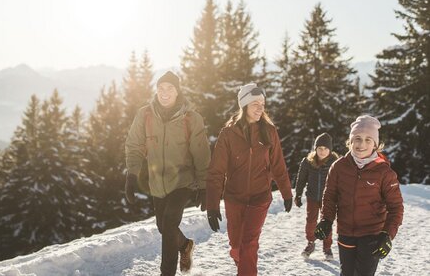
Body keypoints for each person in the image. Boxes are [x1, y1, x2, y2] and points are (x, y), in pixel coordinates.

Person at [124, 71, 211, 276]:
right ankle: (185, 245)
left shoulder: (191, 118)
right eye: (161, 88)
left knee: (170, 222)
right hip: (157, 183)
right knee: (164, 227)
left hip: (183, 181)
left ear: (177, 90)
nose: (164, 92)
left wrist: (205, 185)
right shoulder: (145, 115)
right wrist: (131, 176)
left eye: (169, 88)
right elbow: (134, 145)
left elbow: (201, 153)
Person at [206, 83, 293, 276]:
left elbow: (278, 165)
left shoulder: (269, 131)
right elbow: (216, 171)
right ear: (243, 105)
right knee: (237, 247)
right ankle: (243, 264)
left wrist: (286, 192)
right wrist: (212, 205)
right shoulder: (228, 134)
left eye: (262, 103)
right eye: (255, 103)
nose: (260, 108)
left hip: (260, 198)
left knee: (249, 244)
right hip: (234, 199)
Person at [315, 115, 404, 276]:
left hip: (372, 235)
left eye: (368, 140)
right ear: (350, 141)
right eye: (357, 138)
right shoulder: (338, 167)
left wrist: (387, 234)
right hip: (346, 233)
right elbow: (330, 196)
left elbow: (396, 207)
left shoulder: (384, 172)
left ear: (376, 144)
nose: (361, 144)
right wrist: (326, 219)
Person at [294, 132, 339, 260]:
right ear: (315, 149)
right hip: (313, 196)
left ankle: (327, 248)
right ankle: (310, 243)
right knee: (311, 221)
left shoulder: (335, 162)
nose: (322, 151)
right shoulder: (307, 162)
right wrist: (298, 194)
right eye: (320, 148)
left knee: (327, 222)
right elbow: (301, 179)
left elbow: (341, 181)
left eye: (325, 148)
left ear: (330, 149)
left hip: (329, 198)